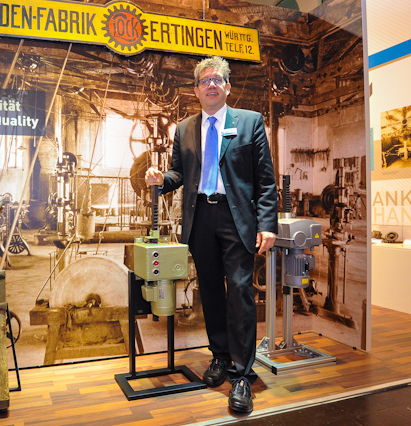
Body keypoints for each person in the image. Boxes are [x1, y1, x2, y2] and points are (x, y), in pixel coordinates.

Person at [145, 56, 278, 413]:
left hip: (237, 219)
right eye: (204, 80)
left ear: (228, 87)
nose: (211, 85)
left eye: (217, 79)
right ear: (196, 90)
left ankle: (242, 374)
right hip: (200, 217)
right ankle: (219, 356)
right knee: (210, 292)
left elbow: (265, 180)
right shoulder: (184, 129)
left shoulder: (250, 122)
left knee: (240, 291)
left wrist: (267, 224)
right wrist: (161, 180)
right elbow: (179, 173)